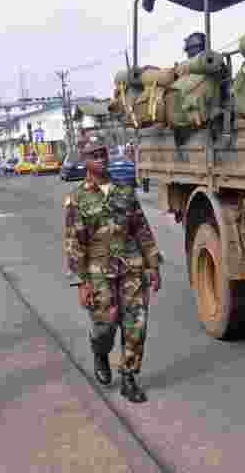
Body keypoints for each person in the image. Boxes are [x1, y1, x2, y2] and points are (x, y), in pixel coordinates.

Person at [63, 134, 161, 403]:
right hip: (98, 272)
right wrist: (81, 283)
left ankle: (129, 377)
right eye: (95, 154)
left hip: (131, 267)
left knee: (136, 324)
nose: (101, 158)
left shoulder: (125, 191)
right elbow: (74, 243)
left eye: (103, 152)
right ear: (84, 160)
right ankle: (100, 351)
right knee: (105, 326)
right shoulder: (77, 199)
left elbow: (141, 229)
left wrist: (153, 264)